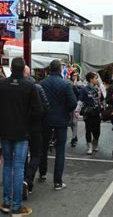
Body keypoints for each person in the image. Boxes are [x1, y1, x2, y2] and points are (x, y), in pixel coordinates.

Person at [0, 57, 42, 215]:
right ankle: (16, 205)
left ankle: (6, 202)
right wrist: (27, 122)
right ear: (24, 69)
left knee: (7, 164)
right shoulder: (29, 86)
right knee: (19, 166)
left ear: (11, 69)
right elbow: (38, 110)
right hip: (22, 131)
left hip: (5, 131)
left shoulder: (1, 85)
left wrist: (1, 121)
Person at [39, 60, 77, 190]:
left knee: (43, 147)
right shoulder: (66, 84)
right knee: (60, 149)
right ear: (60, 70)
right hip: (61, 119)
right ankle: (57, 181)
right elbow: (73, 103)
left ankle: (42, 173)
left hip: (45, 119)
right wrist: (64, 110)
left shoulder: (42, 83)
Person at [23, 65, 50, 198]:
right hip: (36, 127)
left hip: (22, 127)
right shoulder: (37, 87)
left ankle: (24, 181)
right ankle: (28, 180)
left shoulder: (17, 87)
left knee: (22, 155)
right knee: (36, 154)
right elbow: (45, 107)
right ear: (28, 73)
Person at [74, 72, 103, 155]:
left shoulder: (98, 89)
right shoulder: (84, 89)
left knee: (97, 130)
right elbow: (80, 100)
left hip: (97, 112)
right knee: (88, 129)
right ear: (91, 79)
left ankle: (95, 142)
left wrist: (103, 110)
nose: (97, 80)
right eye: (95, 78)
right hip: (88, 113)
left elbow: (102, 100)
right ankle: (89, 146)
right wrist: (77, 110)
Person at [69, 70, 83, 147]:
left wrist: (75, 84)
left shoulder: (80, 84)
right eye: (73, 75)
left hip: (77, 104)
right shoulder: (68, 83)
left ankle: (73, 138)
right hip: (69, 105)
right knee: (71, 122)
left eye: (76, 75)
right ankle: (75, 135)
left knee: (74, 121)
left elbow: (79, 93)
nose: (75, 77)